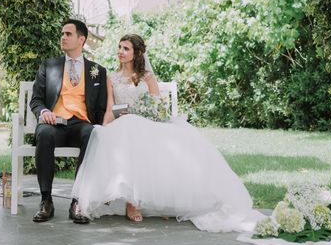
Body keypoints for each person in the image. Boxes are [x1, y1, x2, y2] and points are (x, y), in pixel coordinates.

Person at [71, 34, 264, 232]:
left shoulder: (147, 77)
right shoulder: (112, 78)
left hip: (148, 123)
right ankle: (126, 199)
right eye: (119, 47)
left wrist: (142, 112)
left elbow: (158, 106)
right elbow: (111, 108)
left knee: (154, 137)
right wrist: (104, 126)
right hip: (124, 123)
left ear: (136, 53)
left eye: (126, 48)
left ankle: (142, 202)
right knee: (111, 133)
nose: (120, 51)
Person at [29, 19, 107, 224]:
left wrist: (100, 126)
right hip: (55, 123)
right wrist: (44, 111)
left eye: (68, 34)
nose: (63, 37)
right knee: (44, 133)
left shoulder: (97, 70)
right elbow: (36, 99)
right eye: (62, 33)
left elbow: (100, 106)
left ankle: (77, 201)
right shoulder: (49, 65)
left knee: (93, 134)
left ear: (81, 39)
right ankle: (46, 201)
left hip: (81, 123)